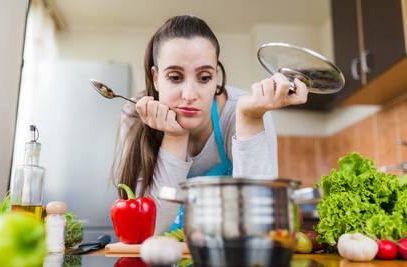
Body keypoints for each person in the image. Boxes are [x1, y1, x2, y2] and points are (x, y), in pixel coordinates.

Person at [111, 15, 308, 234]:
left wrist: (250, 119)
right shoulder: (134, 116)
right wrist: (175, 138)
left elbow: (262, 226)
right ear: (156, 78)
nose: (189, 95)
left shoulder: (242, 111)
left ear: (216, 77)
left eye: (204, 77)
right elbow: (147, 231)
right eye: (175, 77)